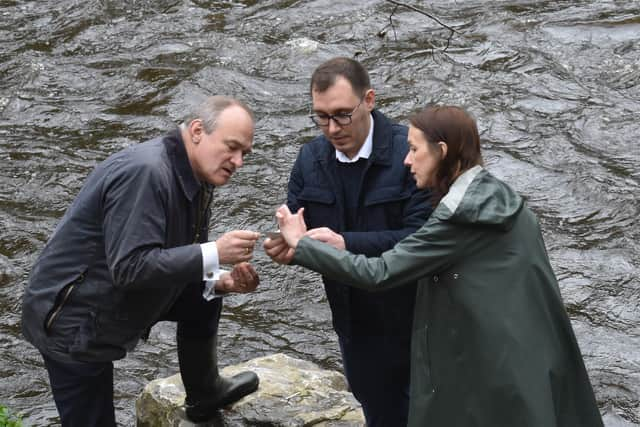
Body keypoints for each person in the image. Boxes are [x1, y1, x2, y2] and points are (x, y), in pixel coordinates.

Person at [275, 105, 604, 426]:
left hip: (495, 376)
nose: (406, 161)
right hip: (536, 358)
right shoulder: (501, 198)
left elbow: (379, 273)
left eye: (414, 149)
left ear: (441, 151)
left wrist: (303, 245)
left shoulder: (457, 217)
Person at [21, 95, 263, 425]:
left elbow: (175, 256)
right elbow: (130, 269)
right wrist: (215, 252)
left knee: (205, 294)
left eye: (244, 153)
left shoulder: (196, 172)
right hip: (73, 320)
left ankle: (205, 393)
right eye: (232, 147)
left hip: (113, 293)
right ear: (196, 131)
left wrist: (222, 280)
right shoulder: (147, 174)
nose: (238, 162)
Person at [264, 57, 432, 426]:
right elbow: (301, 231)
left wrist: (346, 243)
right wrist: (288, 248)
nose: (332, 128)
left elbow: (424, 239)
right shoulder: (310, 159)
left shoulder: (412, 152)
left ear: (369, 100)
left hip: (419, 320)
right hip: (354, 322)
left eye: (342, 114)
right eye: (321, 117)